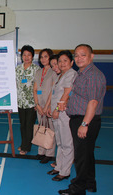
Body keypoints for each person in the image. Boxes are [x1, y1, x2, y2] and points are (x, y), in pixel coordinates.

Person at [59, 44, 106, 195]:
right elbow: (80, 95)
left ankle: (78, 189)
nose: (79, 58)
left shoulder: (93, 75)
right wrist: (68, 102)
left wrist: (84, 124)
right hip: (78, 118)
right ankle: (89, 183)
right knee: (87, 155)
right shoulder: (81, 73)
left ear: (91, 56)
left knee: (81, 157)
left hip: (85, 120)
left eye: (83, 55)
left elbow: (93, 102)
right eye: (76, 55)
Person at [46, 50, 77, 182]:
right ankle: (59, 167)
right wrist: (51, 108)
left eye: (65, 60)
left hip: (64, 114)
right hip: (56, 114)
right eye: (60, 61)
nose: (62, 63)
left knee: (67, 143)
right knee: (59, 142)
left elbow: (66, 94)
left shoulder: (71, 74)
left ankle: (65, 172)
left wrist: (57, 110)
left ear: (71, 62)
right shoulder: (61, 75)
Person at [33, 48, 57, 163]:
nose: (43, 59)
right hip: (40, 106)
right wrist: (37, 105)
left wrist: (47, 107)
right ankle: (41, 151)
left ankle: (50, 153)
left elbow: (53, 91)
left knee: (50, 129)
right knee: (41, 127)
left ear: (51, 57)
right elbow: (35, 89)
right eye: (41, 57)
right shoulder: (38, 72)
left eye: (46, 56)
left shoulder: (54, 72)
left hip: (49, 107)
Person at [15, 45, 40, 155]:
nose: (26, 57)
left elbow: (39, 88)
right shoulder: (18, 69)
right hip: (20, 102)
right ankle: (24, 143)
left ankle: (26, 147)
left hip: (31, 103)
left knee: (29, 125)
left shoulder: (36, 69)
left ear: (32, 56)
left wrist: (37, 102)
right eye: (24, 55)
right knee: (23, 125)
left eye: (29, 55)